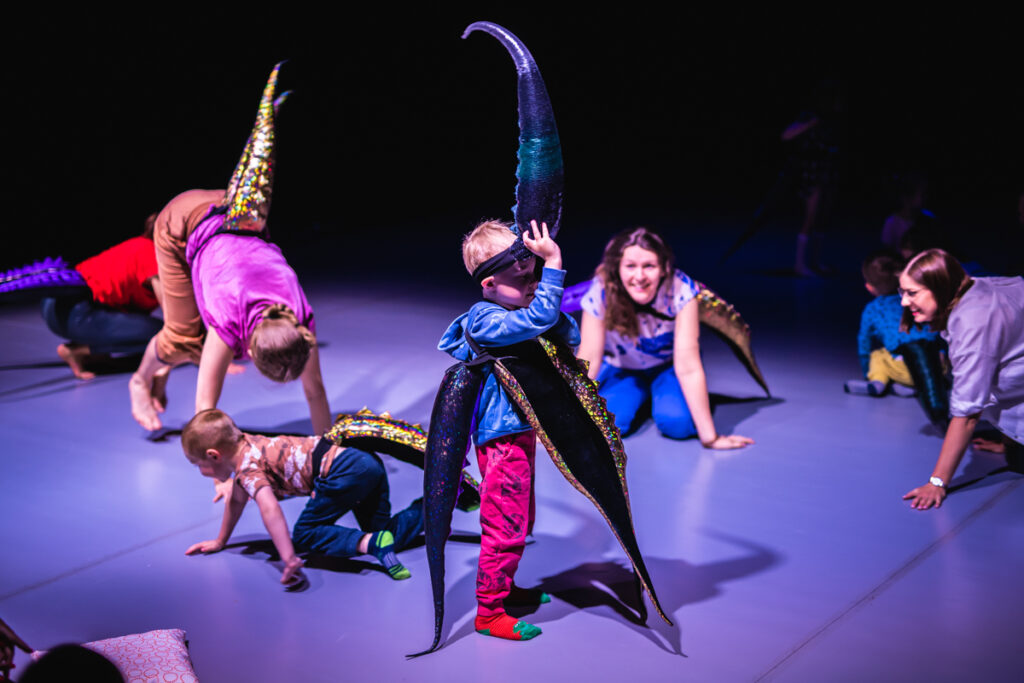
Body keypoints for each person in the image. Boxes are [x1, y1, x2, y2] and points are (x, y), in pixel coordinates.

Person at [128, 64, 330, 437]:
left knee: (190, 343)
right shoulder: (229, 325)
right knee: (183, 337)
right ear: (249, 353)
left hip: (234, 214)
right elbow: (204, 409)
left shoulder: (302, 324)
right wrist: (222, 475)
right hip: (183, 222)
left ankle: (157, 373)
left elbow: (315, 392)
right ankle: (140, 381)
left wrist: (325, 456)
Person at [437, 219, 574, 641]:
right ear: (490, 283)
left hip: (521, 434)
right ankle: (489, 612)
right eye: (525, 279)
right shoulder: (485, 319)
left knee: (521, 517)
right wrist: (553, 266)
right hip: (501, 442)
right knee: (505, 523)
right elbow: (540, 319)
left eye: (535, 278)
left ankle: (506, 586)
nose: (534, 285)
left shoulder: (517, 311)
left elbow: (565, 330)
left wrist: (540, 294)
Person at [182, 409, 424, 582]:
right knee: (383, 529)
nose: (201, 471)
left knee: (305, 533)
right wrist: (220, 541)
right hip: (366, 461)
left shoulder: (247, 469)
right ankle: (434, 505)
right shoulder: (247, 443)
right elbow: (236, 499)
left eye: (198, 465)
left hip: (343, 471)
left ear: (214, 455)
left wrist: (289, 558)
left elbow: (269, 508)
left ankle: (369, 544)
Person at [576, 227, 753, 449]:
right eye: (630, 266)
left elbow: (688, 365)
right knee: (609, 425)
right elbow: (588, 359)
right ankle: (640, 394)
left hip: (666, 367)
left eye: (648, 266)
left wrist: (711, 438)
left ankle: (662, 393)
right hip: (622, 368)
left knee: (677, 425)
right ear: (618, 268)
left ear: (664, 268)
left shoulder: (681, 291)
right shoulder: (601, 290)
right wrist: (559, 428)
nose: (639, 276)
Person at [900, 249, 1024, 509]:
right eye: (903, 292)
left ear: (940, 287)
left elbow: (968, 413)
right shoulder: (969, 288)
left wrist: (936, 482)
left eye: (912, 293)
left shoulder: (973, 324)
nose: (903, 302)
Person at [37, 218, 163, 380]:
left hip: (59, 305)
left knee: (144, 325)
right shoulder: (151, 253)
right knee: (160, 334)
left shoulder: (138, 244)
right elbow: (173, 315)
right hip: (74, 310)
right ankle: (77, 350)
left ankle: (96, 352)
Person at [845, 249, 942, 399]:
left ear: (869, 287)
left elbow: (864, 343)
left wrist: (867, 372)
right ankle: (913, 386)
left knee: (878, 355)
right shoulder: (915, 300)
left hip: (902, 368)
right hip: (935, 366)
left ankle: (878, 382)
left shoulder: (872, 309)